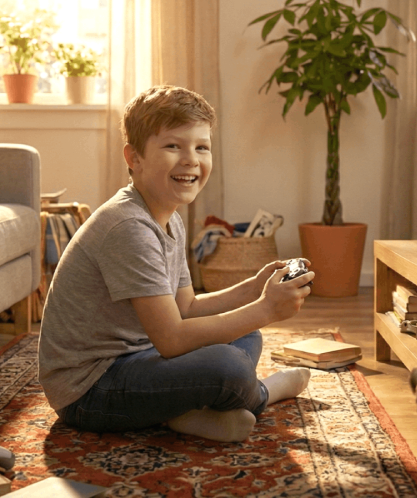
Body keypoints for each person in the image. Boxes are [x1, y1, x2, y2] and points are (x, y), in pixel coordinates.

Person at [38, 85, 317, 443]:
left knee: (244, 332)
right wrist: (266, 309)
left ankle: (183, 414)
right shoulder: (128, 226)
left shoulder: (168, 216)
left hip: (138, 356)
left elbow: (186, 307)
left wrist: (253, 289)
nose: (190, 159)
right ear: (134, 157)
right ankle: (264, 392)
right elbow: (171, 339)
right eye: (173, 146)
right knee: (228, 366)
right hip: (89, 390)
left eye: (201, 147)